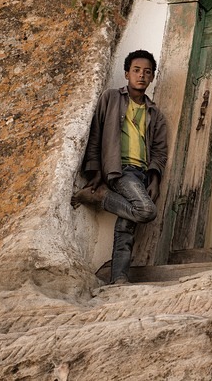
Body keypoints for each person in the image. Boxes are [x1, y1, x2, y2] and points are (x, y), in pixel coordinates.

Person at [72, 49, 169, 284]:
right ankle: (99, 196)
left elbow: (159, 151)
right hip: (119, 169)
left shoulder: (155, 114)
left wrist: (155, 179)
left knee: (127, 226)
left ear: (153, 77)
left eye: (147, 72)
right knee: (146, 211)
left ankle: (118, 278)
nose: (141, 76)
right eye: (136, 70)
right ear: (126, 73)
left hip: (142, 174)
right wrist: (95, 172)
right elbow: (96, 134)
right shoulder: (111, 98)